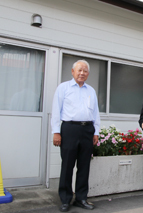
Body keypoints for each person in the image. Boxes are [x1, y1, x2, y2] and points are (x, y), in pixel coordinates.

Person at [51, 60, 100, 212]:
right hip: (69, 129)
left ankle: (81, 198)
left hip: (87, 130)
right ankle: (65, 199)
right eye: (79, 70)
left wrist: (96, 132)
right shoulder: (63, 88)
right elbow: (55, 111)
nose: (82, 73)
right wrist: (56, 132)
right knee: (67, 166)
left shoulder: (91, 90)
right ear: (72, 72)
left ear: (88, 74)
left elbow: (95, 113)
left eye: (85, 71)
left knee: (84, 166)